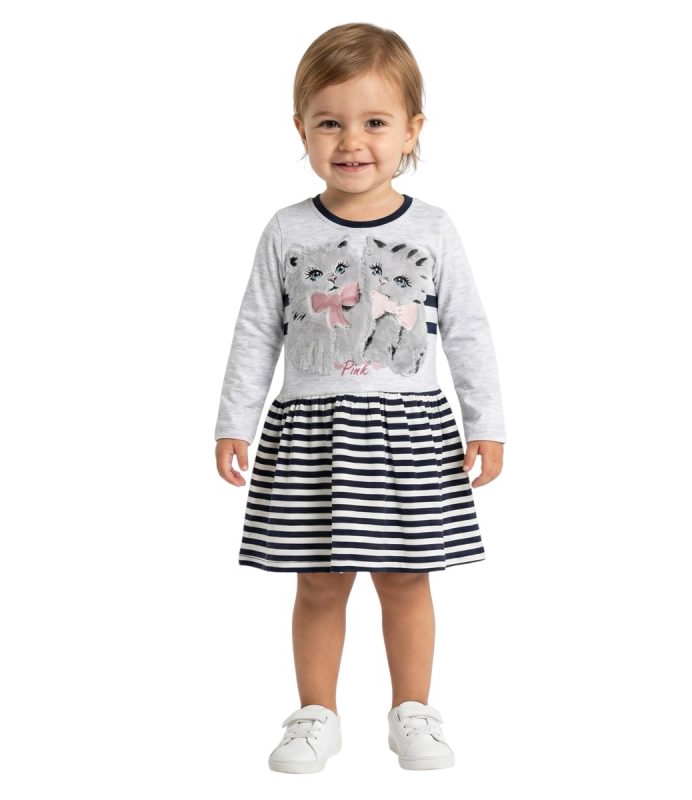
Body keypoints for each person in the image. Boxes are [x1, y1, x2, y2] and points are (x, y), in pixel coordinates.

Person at [214, 22, 506, 773]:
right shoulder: (286, 230)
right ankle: (316, 714)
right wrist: (234, 422)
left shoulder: (434, 229)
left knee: (407, 580)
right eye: (329, 123)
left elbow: (467, 330)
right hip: (313, 435)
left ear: (412, 130)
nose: (352, 142)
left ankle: (413, 711)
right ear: (301, 129)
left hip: (409, 435)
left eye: (375, 122)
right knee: (318, 582)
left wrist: (487, 422)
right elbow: (256, 332)